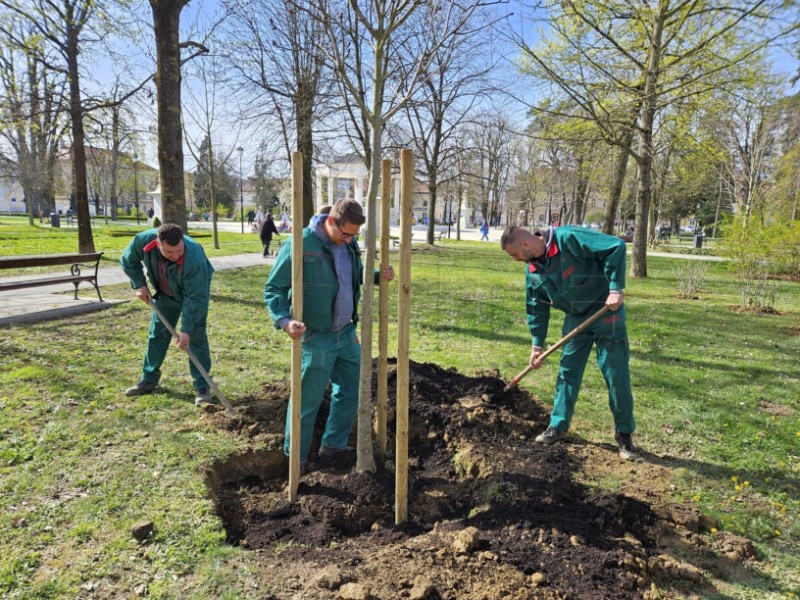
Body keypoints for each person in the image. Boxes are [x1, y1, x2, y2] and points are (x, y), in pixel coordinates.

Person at [264, 199, 394, 468]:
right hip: (315, 336)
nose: (348, 240)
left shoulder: (348, 244)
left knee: (351, 389)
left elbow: (351, 276)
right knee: (306, 401)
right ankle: (296, 459)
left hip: (346, 334)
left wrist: (379, 275)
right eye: (345, 234)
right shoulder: (301, 244)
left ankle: (333, 445)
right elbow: (274, 288)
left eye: (354, 236)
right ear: (331, 221)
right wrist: (285, 320)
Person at [500, 225, 638, 461]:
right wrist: (537, 345)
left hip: (607, 313)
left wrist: (615, 288)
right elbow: (536, 308)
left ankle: (624, 435)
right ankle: (558, 426)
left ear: (525, 244)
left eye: (514, 254)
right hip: (575, 316)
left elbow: (615, 246)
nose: (515, 260)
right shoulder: (532, 269)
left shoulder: (568, 238)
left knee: (616, 375)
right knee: (568, 371)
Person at [120, 223, 216, 406]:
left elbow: (196, 299)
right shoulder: (142, 241)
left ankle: (202, 386)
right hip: (165, 294)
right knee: (157, 335)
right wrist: (139, 284)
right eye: (169, 252)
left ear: (183, 242)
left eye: (179, 251)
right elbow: (128, 260)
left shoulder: (194, 258)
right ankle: (148, 379)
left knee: (196, 336)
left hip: (193, 293)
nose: (175, 255)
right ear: (158, 243)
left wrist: (186, 331)